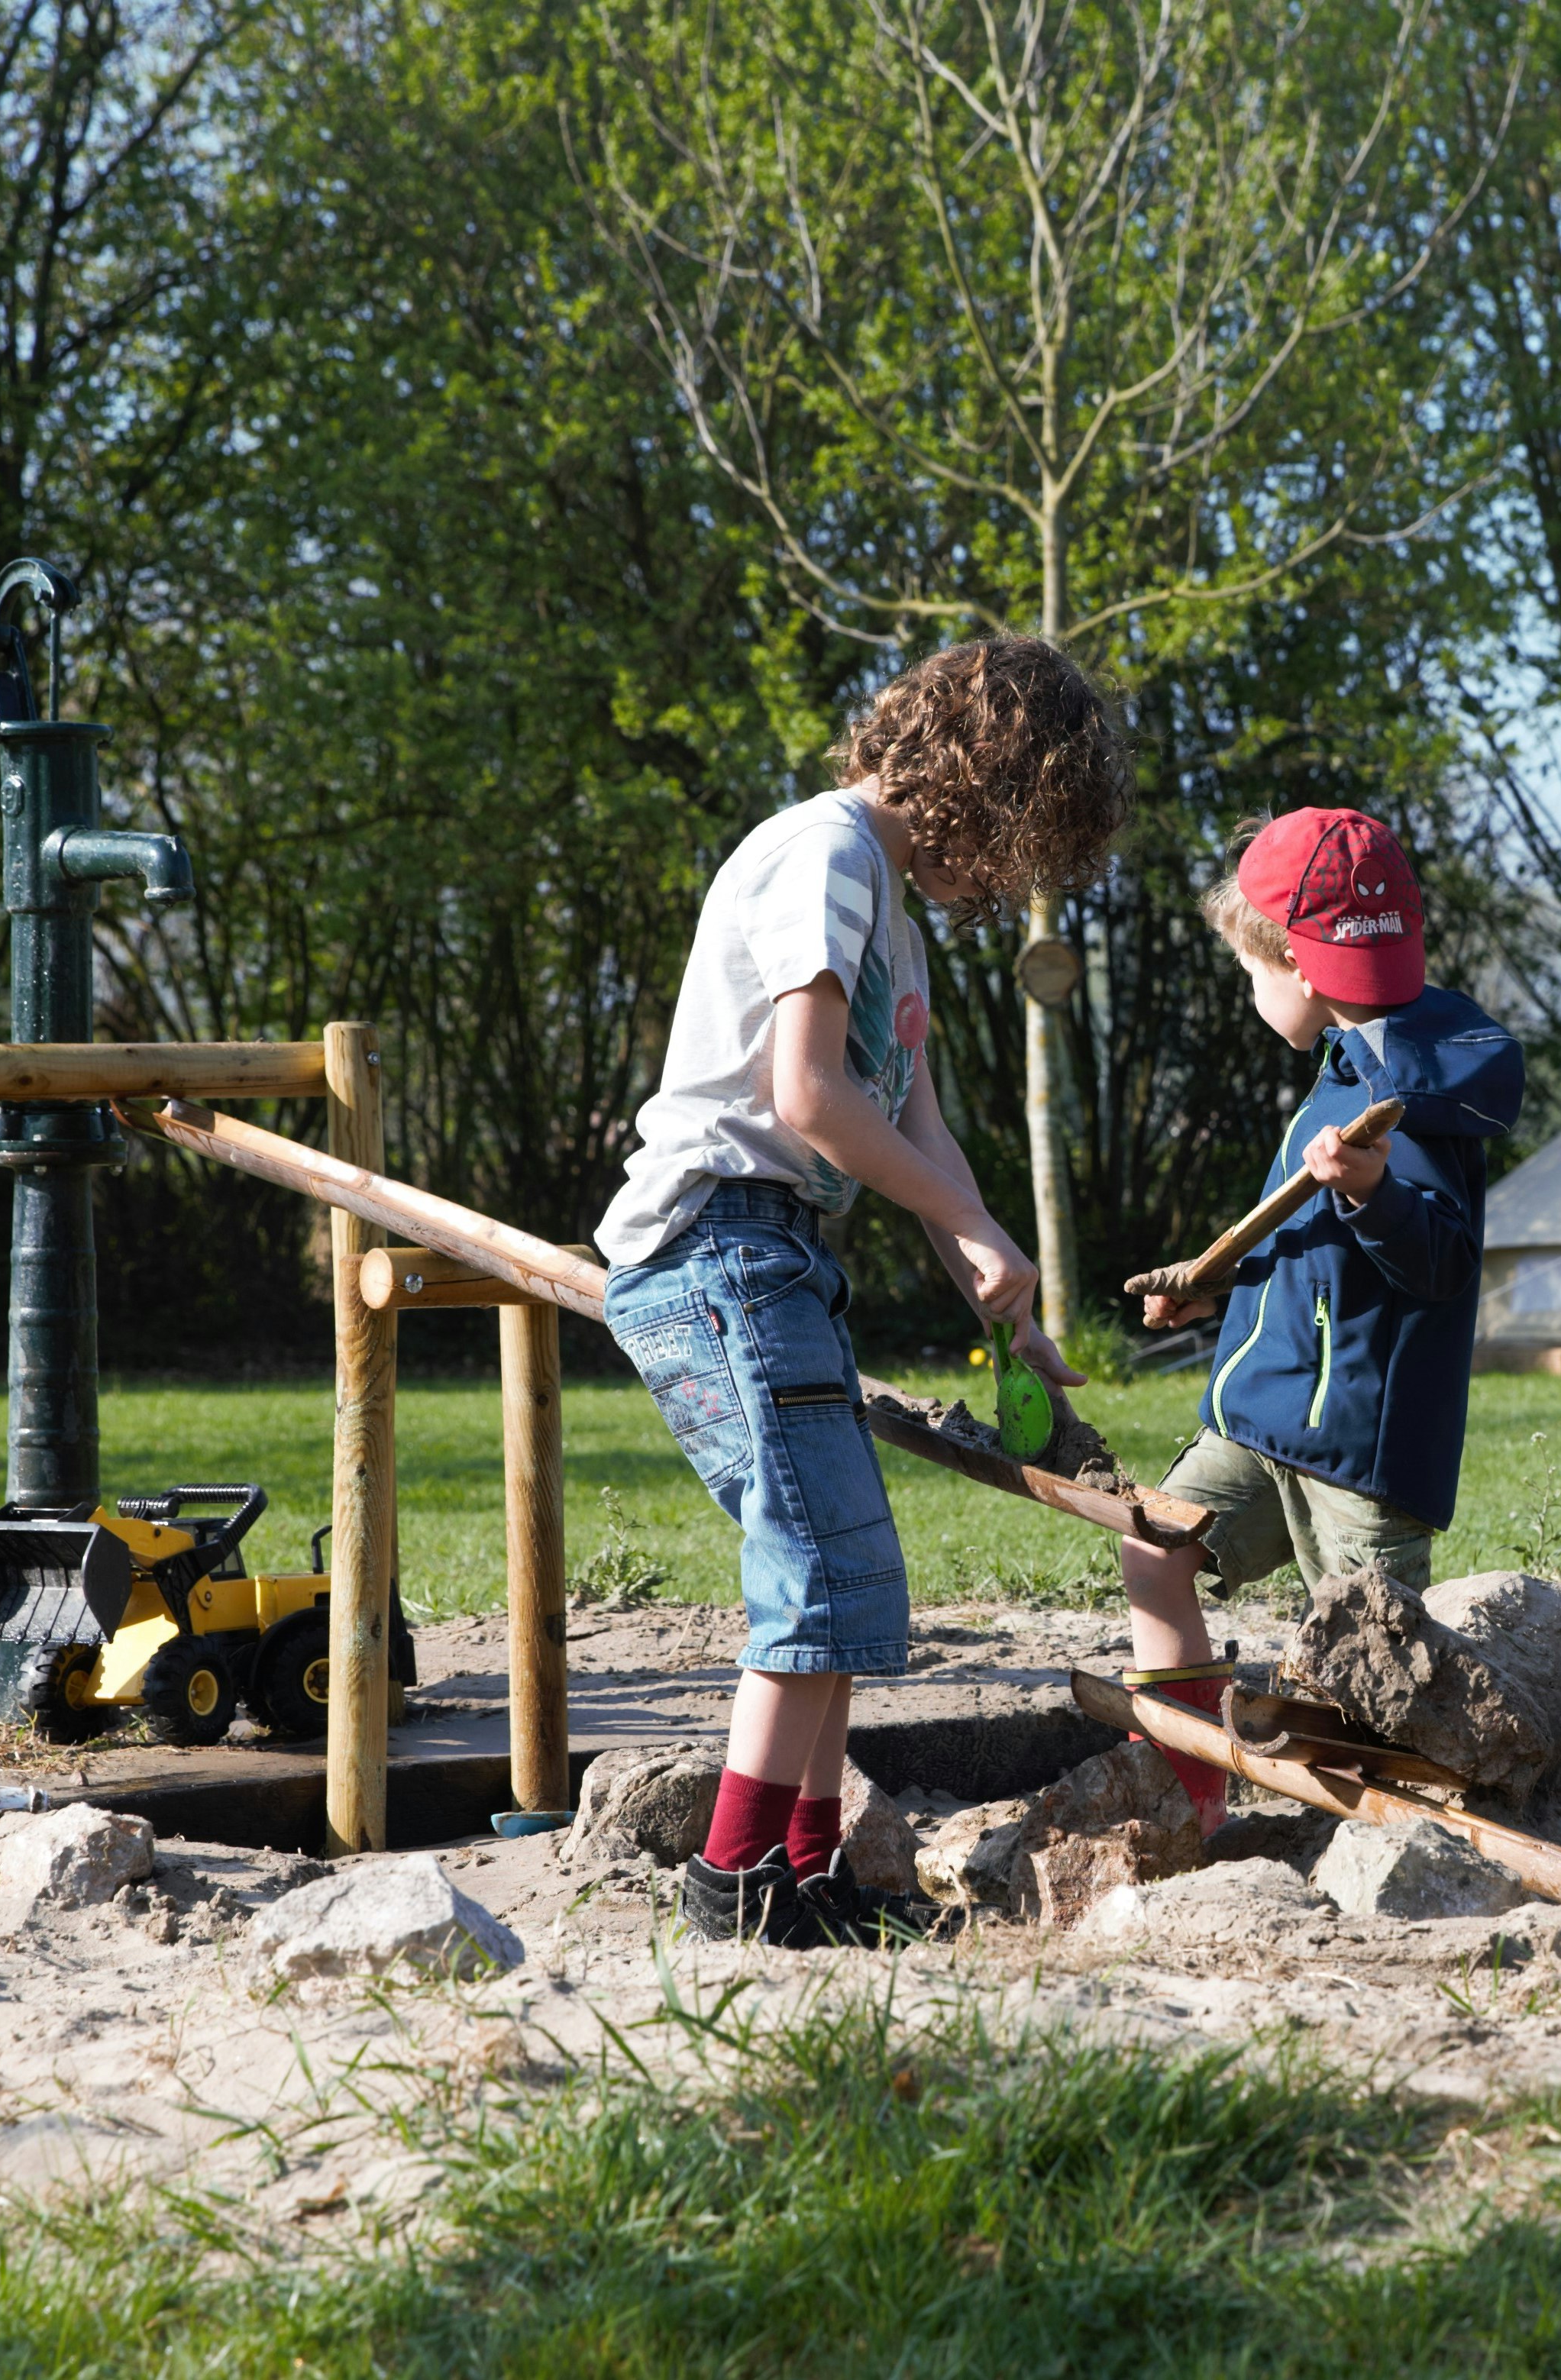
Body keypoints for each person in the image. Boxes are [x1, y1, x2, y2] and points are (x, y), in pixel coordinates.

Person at [594, 638, 1126, 1945]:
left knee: (846, 1576)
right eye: (1017, 843)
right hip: (716, 1242)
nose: (1006, 882)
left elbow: (921, 1133)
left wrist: (999, 1276)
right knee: (815, 1564)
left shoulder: (894, 917)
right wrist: (955, 1215)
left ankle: (807, 1872)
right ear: (980, 785)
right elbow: (808, 1097)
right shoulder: (824, 855)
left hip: (782, 1256)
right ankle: (735, 1885)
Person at [1126, 808, 1523, 1832]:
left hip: (1355, 1447)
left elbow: (1436, 1262)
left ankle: (1389, 1836)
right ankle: (1186, 1791)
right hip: (1265, 1422)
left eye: (1249, 971)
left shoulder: (1409, 1098)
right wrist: (1220, 1283)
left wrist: (1374, 1193)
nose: (1250, 992)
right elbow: (1308, 1243)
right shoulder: (1345, 1069)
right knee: (1155, 1550)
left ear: (1300, 968)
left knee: (1372, 1655)